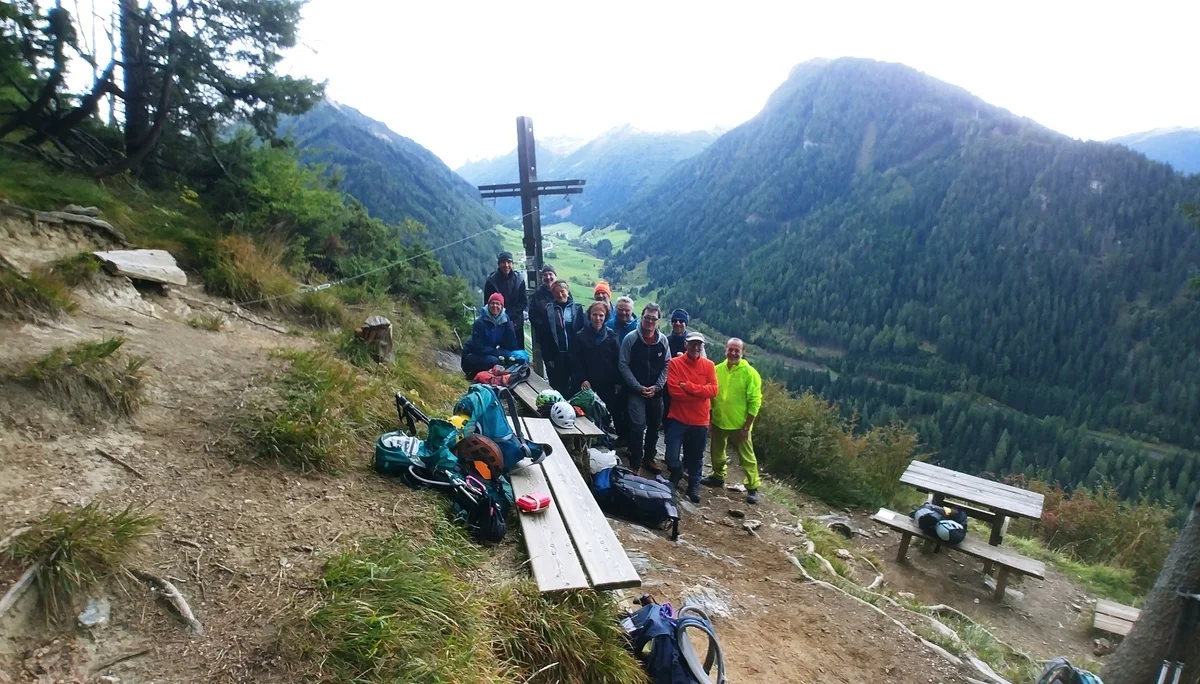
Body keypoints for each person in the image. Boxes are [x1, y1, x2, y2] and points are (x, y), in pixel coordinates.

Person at [704, 338, 764, 504]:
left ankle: (752, 487)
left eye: (737, 350)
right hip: (718, 420)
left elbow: (755, 401)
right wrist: (709, 419)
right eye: (730, 349)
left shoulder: (750, 373)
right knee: (716, 452)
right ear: (726, 350)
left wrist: (747, 426)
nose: (733, 353)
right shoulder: (717, 369)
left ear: (742, 352)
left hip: (740, 424)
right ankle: (718, 476)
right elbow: (710, 396)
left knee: (747, 456)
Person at [665, 331, 718, 503]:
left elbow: (713, 391)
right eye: (692, 344)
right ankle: (677, 470)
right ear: (685, 345)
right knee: (671, 456)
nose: (695, 347)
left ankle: (693, 485)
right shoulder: (674, 363)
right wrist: (700, 393)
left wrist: (687, 386)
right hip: (677, 417)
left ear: (702, 347)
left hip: (700, 420)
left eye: (699, 344)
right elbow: (674, 391)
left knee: (696, 456)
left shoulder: (709, 366)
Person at [619, 303, 670, 475]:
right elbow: (623, 365)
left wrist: (657, 386)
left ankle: (649, 457)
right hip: (636, 392)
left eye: (653, 319)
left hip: (656, 392)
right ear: (641, 317)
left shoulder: (663, 341)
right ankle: (635, 463)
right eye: (647, 317)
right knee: (638, 426)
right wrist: (638, 387)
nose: (650, 321)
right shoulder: (630, 339)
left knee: (654, 427)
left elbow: (667, 365)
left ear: (658, 320)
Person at [571, 301, 621, 432]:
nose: (597, 318)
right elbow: (576, 360)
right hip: (588, 382)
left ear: (606, 317)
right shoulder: (580, 336)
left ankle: (605, 435)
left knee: (607, 410)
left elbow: (617, 360)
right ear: (589, 316)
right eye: (594, 315)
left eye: (601, 315)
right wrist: (582, 379)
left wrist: (617, 381)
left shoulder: (612, 336)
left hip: (607, 382)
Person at [536, 279, 585, 394]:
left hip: (574, 354)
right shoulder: (548, 310)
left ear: (567, 291)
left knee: (576, 384)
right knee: (558, 386)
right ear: (552, 294)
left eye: (562, 291)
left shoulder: (577, 309)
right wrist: (548, 358)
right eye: (556, 293)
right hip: (557, 354)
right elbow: (544, 335)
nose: (560, 295)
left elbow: (583, 332)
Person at [461, 293, 521, 378]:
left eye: (498, 303)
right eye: (492, 303)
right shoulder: (480, 322)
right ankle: (475, 374)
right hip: (474, 354)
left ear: (502, 306)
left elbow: (511, 340)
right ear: (488, 305)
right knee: (494, 361)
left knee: (509, 357)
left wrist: (515, 355)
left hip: (490, 351)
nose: (495, 306)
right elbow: (478, 347)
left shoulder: (505, 320)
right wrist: (496, 352)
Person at [606, 296, 638, 443]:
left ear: (632, 311)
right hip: (612, 372)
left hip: (632, 374)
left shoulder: (638, 328)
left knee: (631, 408)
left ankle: (632, 439)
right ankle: (622, 436)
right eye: (620, 310)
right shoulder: (609, 325)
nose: (624, 313)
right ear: (615, 310)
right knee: (615, 407)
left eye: (627, 310)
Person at [483, 251, 527, 348]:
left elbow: (523, 302)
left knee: (518, 351)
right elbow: (487, 303)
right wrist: (501, 317)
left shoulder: (519, 279)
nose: (506, 265)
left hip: (516, 323)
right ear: (499, 264)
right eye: (503, 262)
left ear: (512, 264)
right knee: (500, 353)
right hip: (497, 324)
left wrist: (509, 316)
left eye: (509, 262)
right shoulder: (491, 281)